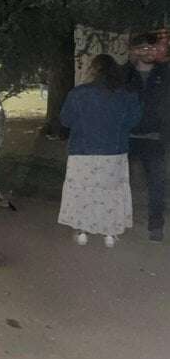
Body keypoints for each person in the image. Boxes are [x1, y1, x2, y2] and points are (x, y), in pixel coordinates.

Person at [58, 54, 141, 247]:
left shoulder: (78, 93)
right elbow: (134, 121)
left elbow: (65, 120)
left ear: (94, 70)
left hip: (82, 152)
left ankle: (82, 231)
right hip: (114, 152)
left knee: (82, 191)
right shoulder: (127, 94)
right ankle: (109, 233)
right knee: (110, 192)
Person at [124, 33, 169, 242]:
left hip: (155, 138)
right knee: (123, 182)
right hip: (126, 137)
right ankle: (121, 219)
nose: (148, 52)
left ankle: (156, 226)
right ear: (134, 50)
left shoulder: (165, 73)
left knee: (157, 184)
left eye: (152, 48)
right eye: (143, 48)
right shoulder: (123, 74)